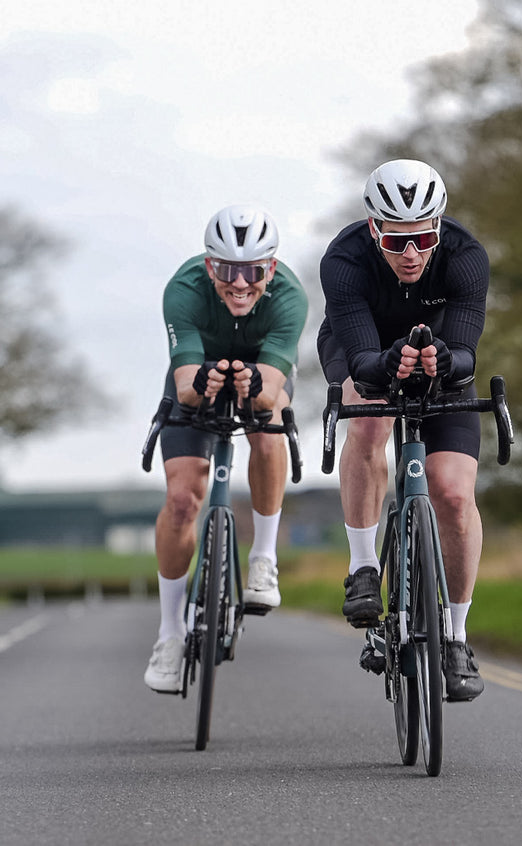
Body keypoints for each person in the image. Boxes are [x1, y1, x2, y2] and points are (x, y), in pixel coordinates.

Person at [318, 159, 489, 701]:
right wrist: (385, 364)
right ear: (374, 229)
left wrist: (445, 360)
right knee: (367, 426)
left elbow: (466, 353)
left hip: (440, 359)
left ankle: (456, 635)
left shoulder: (465, 257)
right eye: (396, 240)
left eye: (424, 238)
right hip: (362, 347)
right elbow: (365, 363)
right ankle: (365, 566)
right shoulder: (344, 261)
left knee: (454, 495)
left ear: (439, 226)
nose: (412, 253)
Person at [144, 204, 308, 693]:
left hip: (264, 376)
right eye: (227, 270)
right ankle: (170, 634)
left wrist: (250, 385)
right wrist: (206, 382)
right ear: (209, 264)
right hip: (196, 373)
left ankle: (263, 558)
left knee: (268, 424)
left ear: (271, 269)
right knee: (181, 499)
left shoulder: (290, 297)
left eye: (253, 271)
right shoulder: (185, 289)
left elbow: (270, 392)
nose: (240, 283)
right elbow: (186, 385)